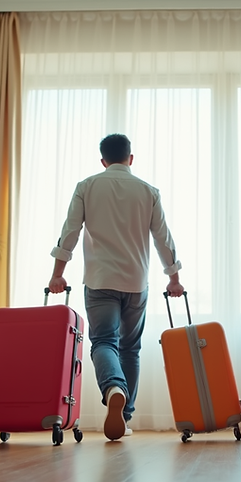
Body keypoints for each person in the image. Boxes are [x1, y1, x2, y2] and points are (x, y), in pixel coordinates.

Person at [47, 133, 184, 441]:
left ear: (103, 161)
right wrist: (173, 278)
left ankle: (113, 389)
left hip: (99, 280)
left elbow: (69, 232)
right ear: (130, 159)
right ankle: (125, 416)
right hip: (136, 282)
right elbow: (163, 239)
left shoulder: (87, 186)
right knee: (131, 348)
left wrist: (58, 274)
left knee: (104, 342)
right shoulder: (149, 191)